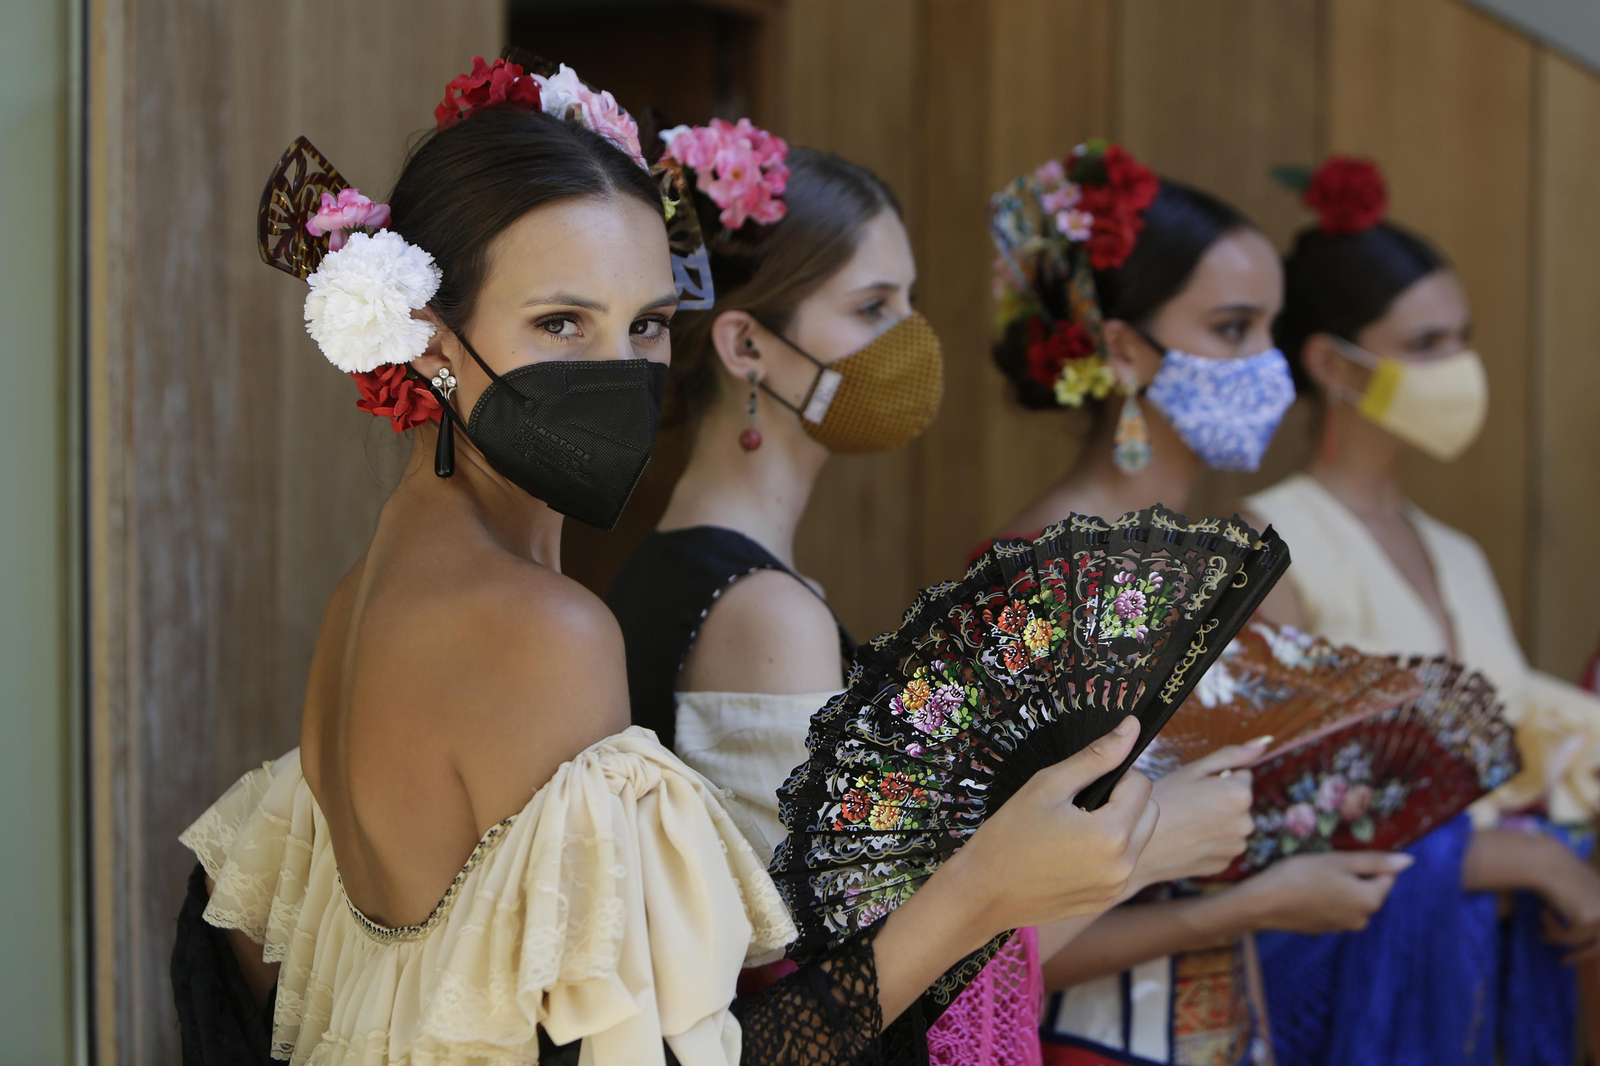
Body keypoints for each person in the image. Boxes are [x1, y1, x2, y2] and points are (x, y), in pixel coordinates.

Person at [169, 58, 1162, 1066]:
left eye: (645, 323)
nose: (624, 369)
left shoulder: (369, 597)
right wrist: (987, 889)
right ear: (427, 339)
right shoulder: (539, 630)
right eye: (562, 322)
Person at [606, 120, 1085, 1066]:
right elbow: (834, 980)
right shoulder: (762, 612)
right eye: (872, 308)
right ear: (746, 346)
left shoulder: (689, 575)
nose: (910, 340)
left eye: (909, 303)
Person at [981, 145, 1412, 1066]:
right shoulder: (1049, 576)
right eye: (1232, 329)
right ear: (1126, 348)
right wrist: (1250, 905)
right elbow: (985, 930)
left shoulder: (1199, 557)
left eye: (1271, 328)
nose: (1271, 365)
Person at [1243, 155, 1600, 1066]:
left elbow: (1517, 756)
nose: (1459, 368)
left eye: (1462, 339)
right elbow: (1272, 810)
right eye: (1428, 344)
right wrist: (1516, 861)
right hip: (1352, 975)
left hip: (1491, 970)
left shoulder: (1459, 553)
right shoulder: (1269, 540)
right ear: (1331, 362)